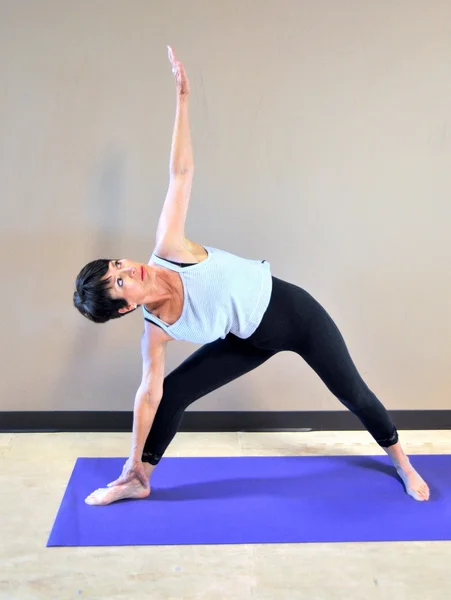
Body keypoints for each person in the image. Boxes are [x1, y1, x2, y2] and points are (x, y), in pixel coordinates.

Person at [73, 46, 429, 506]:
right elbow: (148, 395)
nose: (127, 269)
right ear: (125, 307)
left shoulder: (169, 251)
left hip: (292, 313)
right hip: (246, 339)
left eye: (117, 265)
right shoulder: (155, 331)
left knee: (354, 393)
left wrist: (182, 100)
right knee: (172, 392)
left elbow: (180, 174)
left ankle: (403, 463)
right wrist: (131, 459)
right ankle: (139, 479)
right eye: (119, 282)